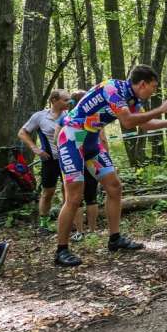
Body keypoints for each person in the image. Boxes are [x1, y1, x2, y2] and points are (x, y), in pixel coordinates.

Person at [53, 65, 167, 267]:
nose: (154, 91)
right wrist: (160, 109)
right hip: (72, 138)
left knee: (114, 186)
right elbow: (127, 121)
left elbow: (143, 124)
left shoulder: (133, 98)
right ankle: (61, 250)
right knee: (74, 197)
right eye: (153, 86)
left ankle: (115, 239)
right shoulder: (112, 88)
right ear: (142, 83)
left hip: (91, 140)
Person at [55, 90, 108, 241]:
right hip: (91, 159)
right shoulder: (94, 116)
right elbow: (103, 139)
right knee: (91, 197)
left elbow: (57, 139)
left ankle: (80, 232)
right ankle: (92, 231)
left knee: (74, 198)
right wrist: (106, 158)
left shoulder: (66, 118)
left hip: (72, 160)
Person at [17, 89, 71, 230]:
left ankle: (66, 223)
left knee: (69, 191)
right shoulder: (40, 116)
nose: (69, 102)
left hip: (68, 159)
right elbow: (22, 133)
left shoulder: (70, 115)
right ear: (54, 100)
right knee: (48, 192)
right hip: (49, 160)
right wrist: (35, 148)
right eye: (65, 100)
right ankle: (44, 224)